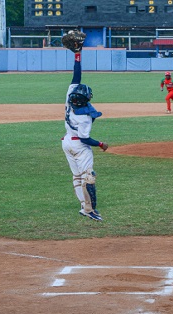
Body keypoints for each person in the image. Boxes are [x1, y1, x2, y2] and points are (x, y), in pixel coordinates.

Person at [62, 50, 109, 221]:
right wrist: (101, 144)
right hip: (80, 146)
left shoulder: (69, 99)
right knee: (88, 176)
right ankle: (89, 209)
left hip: (66, 142)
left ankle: (83, 205)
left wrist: (77, 55)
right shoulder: (84, 119)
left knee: (76, 176)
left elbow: (76, 78)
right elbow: (85, 139)